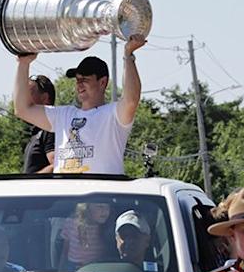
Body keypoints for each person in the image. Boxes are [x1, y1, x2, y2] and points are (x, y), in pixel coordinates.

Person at [12, 35, 145, 175]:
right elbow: (22, 109)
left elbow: (131, 99)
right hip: (66, 194)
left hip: (102, 194)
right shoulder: (63, 115)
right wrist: (23, 63)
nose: (79, 84)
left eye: (85, 79)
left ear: (102, 82)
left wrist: (128, 55)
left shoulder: (113, 114)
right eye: (77, 80)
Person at [59, 202, 112, 269]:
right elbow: (65, 250)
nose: (105, 211)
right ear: (86, 209)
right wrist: (60, 269)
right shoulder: (71, 223)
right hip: (73, 266)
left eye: (108, 207)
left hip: (97, 267)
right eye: (100, 206)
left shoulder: (107, 228)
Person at [23, 75, 56, 174]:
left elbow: (58, 165)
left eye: (29, 92)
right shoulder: (37, 131)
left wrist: (30, 181)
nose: (24, 98)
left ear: (45, 98)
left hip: (41, 189)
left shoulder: (50, 128)